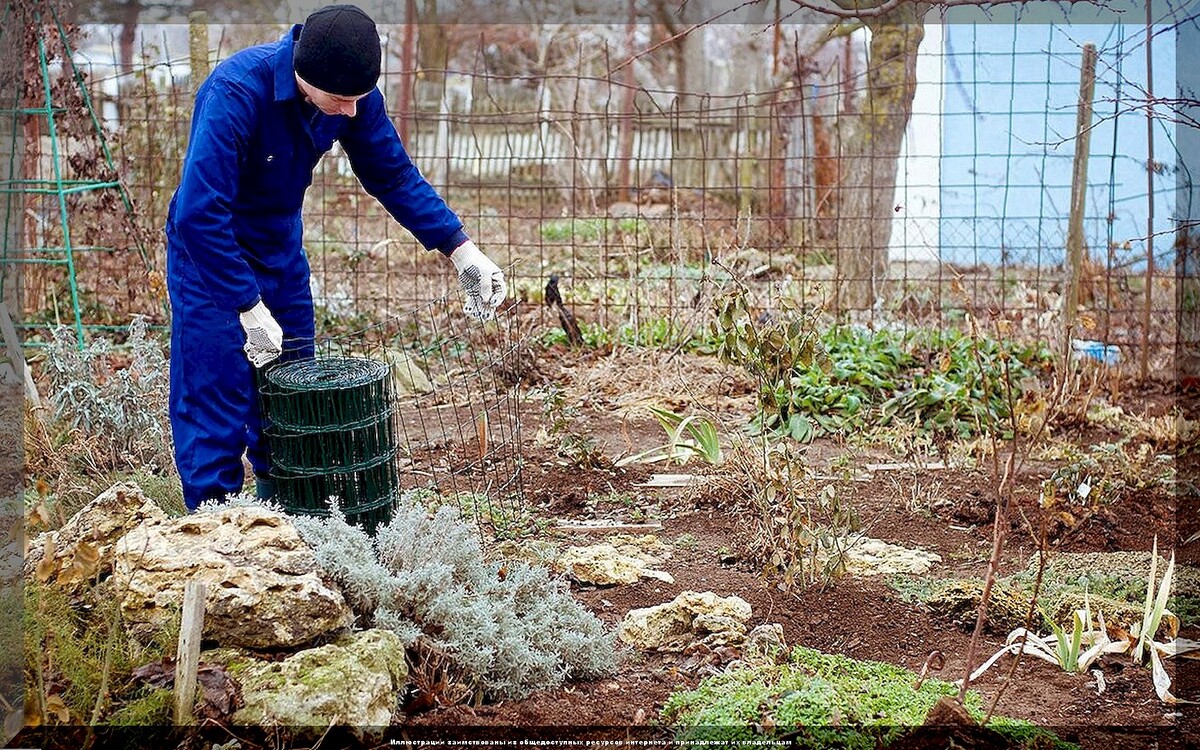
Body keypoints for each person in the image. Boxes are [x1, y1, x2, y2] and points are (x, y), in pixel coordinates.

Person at [166, 4, 506, 511]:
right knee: (215, 399)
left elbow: (391, 174)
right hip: (211, 258)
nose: (351, 111)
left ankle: (290, 530)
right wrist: (245, 303)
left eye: (359, 99)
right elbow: (198, 212)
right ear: (305, 76)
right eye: (341, 100)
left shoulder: (351, 95)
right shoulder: (235, 92)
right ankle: (217, 545)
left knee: (295, 401)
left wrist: (461, 249)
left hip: (280, 253)